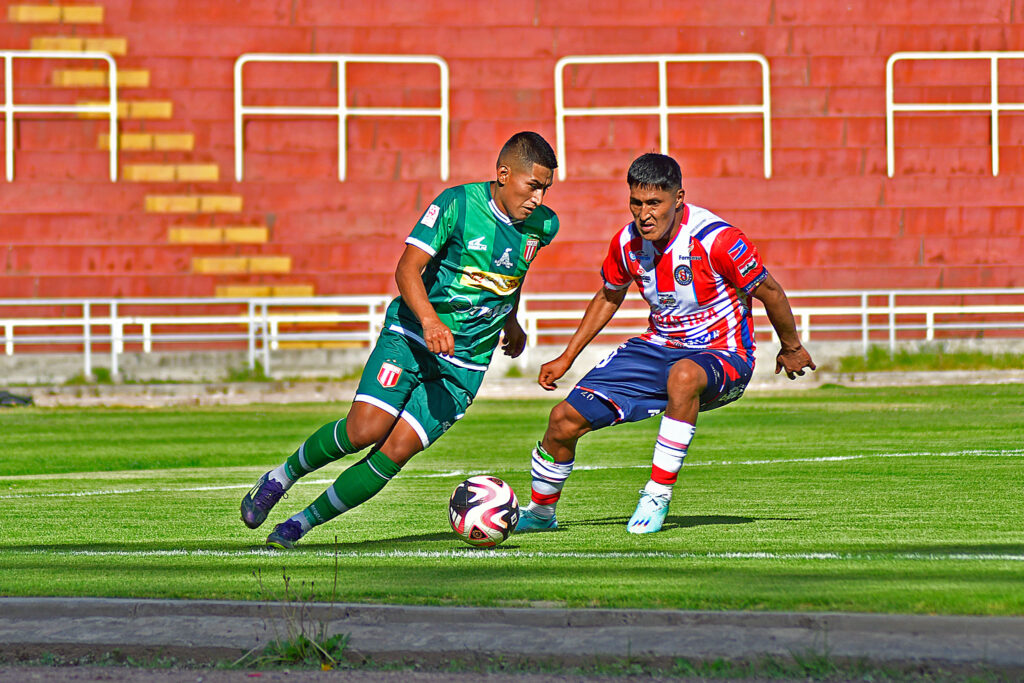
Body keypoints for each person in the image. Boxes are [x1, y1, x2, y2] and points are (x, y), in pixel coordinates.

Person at [241, 131, 559, 548]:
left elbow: (511, 273)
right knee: (364, 430)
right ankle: (280, 477)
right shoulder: (457, 205)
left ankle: (301, 523)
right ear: (503, 174)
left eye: (546, 189)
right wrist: (430, 322)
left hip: (463, 367)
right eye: (532, 185)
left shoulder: (544, 225)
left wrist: (511, 320)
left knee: (395, 451)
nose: (538, 198)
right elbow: (407, 269)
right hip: (411, 335)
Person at [515, 152, 815, 535]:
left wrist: (791, 347)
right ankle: (540, 514)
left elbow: (769, 291)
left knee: (685, 376)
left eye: (654, 203)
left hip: (724, 354)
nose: (644, 214)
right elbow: (609, 295)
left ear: (678, 199)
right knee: (562, 419)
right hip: (658, 347)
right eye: (636, 203)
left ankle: (656, 494)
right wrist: (567, 357)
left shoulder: (718, 240)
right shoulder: (626, 242)